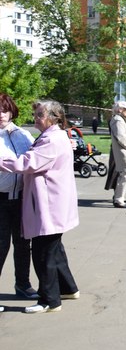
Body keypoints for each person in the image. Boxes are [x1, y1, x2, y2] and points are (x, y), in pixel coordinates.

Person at [0, 100, 80, 314]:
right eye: (35, 114)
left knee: (44, 253)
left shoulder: (51, 139)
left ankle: (49, 300)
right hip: (51, 203)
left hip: (49, 205)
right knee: (54, 251)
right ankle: (68, 289)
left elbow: (27, 163)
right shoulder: (54, 136)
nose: (35, 118)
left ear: (53, 118)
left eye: (39, 115)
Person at [0, 93, 35, 300]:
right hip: (0, 200)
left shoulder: (23, 135)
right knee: (1, 245)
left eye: (4, 110)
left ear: (11, 111)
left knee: (23, 244)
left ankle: (23, 284)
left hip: (21, 199)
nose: (1, 115)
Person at [106, 100, 126, 208]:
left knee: (125, 175)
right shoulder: (118, 120)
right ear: (120, 110)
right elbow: (121, 138)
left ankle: (119, 197)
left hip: (124, 151)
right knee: (125, 175)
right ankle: (118, 199)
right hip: (123, 152)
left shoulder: (120, 119)